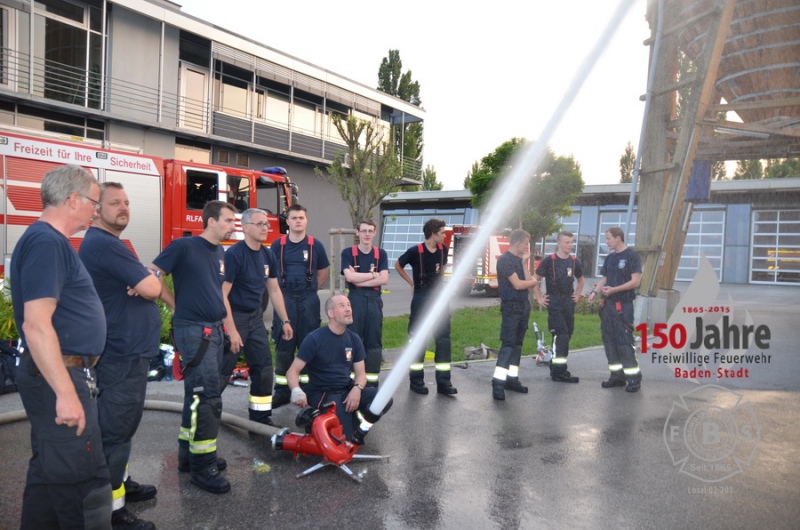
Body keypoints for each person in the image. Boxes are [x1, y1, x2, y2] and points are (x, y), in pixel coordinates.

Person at [10, 164, 112, 528]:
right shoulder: (47, 242)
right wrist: (66, 393)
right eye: (94, 203)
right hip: (59, 375)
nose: (95, 211)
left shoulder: (47, 242)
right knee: (84, 482)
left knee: (50, 475)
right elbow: (36, 325)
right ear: (73, 200)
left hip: (58, 373)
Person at [80, 182, 161, 530]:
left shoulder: (110, 244)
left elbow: (148, 281)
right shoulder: (103, 244)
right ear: (95, 209)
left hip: (126, 351)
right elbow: (152, 288)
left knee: (121, 429)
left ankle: (121, 484)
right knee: (115, 432)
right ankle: (111, 511)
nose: (123, 208)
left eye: (127, 202)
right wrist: (149, 278)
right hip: (121, 354)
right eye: (115, 203)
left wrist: (148, 276)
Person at [151, 200, 237, 494]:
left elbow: (214, 291)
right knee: (208, 397)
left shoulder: (220, 252)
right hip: (194, 331)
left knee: (196, 396)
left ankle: (190, 456)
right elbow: (154, 273)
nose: (232, 225)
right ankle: (204, 467)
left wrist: (225, 327)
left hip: (213, 329)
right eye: (228, 220)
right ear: (211, 221)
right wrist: (174, 304)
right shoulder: (184, 246)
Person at [221, 208, 293, 426]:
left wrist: (285, 320)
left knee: (263, 368)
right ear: (245, 227)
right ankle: (207, 414)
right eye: (260, 224)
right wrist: (231, 330)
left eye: (267, 224)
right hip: (234, 317)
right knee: (222, 370)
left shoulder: (267, 254)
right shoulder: (234, 255)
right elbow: (221, 294)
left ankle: (260, 418)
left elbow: (274, 290)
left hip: (255, 319)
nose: (266, 228)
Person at [287, 295, 391, 443]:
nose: (348, 309)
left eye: (349, 305)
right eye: (342, 306)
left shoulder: (354, 339)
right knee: (341, 442)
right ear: (331, 313)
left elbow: (361, 374)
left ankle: (354, 421)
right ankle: (315, 421)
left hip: (347, 390)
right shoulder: (314, 339)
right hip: (324, 393)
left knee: (383, 400)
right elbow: (292, 371)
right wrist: (296, 391)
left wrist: (357, 389)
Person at [270, 204, 329, 407]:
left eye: (301, 217)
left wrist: (310, 289)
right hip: (284, 297)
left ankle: (306, 389)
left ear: (306, 220)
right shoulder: (278, 245)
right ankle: (282, 391)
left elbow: (323, 272)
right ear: (287, 221)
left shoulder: (316, 245)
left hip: (308, 299)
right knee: (284, 346)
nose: (298, 221)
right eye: (294, 218)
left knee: (308, 344)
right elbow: (270, 274)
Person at [394, 218, 457, 396]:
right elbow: (398, 265)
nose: (445, 236)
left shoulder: (443, 249)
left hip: (439, 298)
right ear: (432, 233)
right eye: (442, 232)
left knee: (443, 339)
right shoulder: (415, 251)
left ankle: (444, 382)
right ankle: (416, 380)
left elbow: (442, 266)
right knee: (418, 339)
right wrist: (411, 283)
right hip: (421, 297)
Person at [588, 226, 643, 392]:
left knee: (624, 343)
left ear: (618, 238)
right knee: (609, 342)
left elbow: (635, 282)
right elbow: (604, 278)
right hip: (608, 307)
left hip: (622, 307)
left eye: (609, 238)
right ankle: (617, 376)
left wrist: (614, 290)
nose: (606, 242)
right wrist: (595, 292)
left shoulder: (632, 256)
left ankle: (633, 378)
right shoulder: (610, 258)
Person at [340, 219, 389, 388]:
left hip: (375, 301)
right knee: (353, 340)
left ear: (375, 233)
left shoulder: (380, 254)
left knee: (373, 341)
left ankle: (371, 383)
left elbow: (385, 279)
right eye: (364, 231)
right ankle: (352, 381)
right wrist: (374, 276)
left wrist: (361, 279)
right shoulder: (348, 253)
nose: (367, 234)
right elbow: (350, 278)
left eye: (370, 231)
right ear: (357, 233)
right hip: (355, 300)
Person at [491, 229, 539, 400]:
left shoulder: (518, 261)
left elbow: (528, 281)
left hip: (523, 306)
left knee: (518, 345)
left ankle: (512, 379)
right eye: (526, 244)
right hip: (511, 308)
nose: (527, 247)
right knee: (508, 345)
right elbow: (518, 284)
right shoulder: (505, 261)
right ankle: (498, 383)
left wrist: (525, 265)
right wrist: (533, 282)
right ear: (518, 243)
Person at [533, 231, 585, 384]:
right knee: (561, 335)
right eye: (567, 242)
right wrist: (539, 297)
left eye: (572, 242)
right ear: (559, 243)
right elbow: (535, 279)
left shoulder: (574, 262)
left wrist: (577, 294)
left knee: (567, 333)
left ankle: (556, 365)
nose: (570, 245)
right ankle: (559, 372)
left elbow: (581, 280)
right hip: (554, 301)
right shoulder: (550, 261)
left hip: (568, 301)